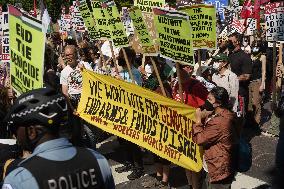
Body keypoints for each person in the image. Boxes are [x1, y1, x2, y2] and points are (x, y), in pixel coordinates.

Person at [2, 88, 115, 189]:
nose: (15, 136)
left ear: (31, 131)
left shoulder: (19, 180)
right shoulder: (98, 160)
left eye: (16, 129)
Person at [193, 87, 238, 189]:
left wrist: (198, 121)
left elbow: (200, 139)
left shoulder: (219, 122)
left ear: (218, 103)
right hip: (216, 164)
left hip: (217, 167)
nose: (206, 101)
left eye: (210, 99)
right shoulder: (224, 114)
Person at [114, 47, 144, 180]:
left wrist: (123, 83)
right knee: (123, 139)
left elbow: (137, 91)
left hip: (132, 110)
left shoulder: (135, 73)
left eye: (122, 56)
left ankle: (138, 167)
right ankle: (128, 163)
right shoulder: (122, 72)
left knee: (132, 140)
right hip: (122, 109)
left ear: (130, 58)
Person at [228, 32, 252, 119]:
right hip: (229, 92)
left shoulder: (245, 57)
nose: (228, 43)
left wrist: (232, 79)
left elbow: (247, 75)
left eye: (230, 41)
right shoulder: (230, 55)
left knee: (239, 117)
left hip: (240, 92)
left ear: (237, 42)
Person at [248, 40, 266, 127]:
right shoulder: (250, 56)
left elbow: (263, 71)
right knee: (249, 104)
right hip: (249, 81)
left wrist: (263, 84)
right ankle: (250, 121)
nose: (255, 47)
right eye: (253, 45)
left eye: (257, 45)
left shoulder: (262, 57)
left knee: (256, 102)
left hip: (257, 81)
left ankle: (256, 122)